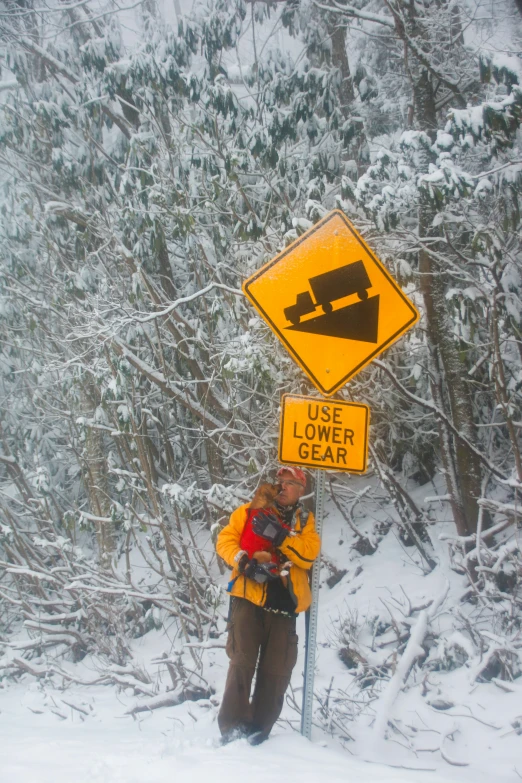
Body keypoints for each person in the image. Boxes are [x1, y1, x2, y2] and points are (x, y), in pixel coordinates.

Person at [216, 465, 321, 745]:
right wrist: (242, 561)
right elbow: (225, 539)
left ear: (301, 490)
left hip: (284, 605)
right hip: (248, 599)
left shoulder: (304, 521)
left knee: (277, 671)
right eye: (281, 481)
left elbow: (309, 555)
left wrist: (282, 537)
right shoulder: (252, 509)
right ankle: (233, 728)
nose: (283, 487)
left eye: (290, 483)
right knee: (241, 662)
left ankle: (260, 733)